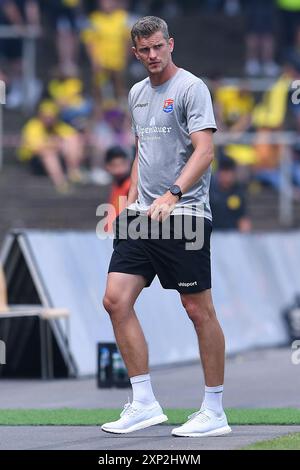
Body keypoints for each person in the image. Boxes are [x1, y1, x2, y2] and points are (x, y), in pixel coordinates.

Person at [101, 16, 232, 437]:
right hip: (144, 213)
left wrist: (173, 193)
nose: (153, 55)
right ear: (135, 52)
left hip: (186, 212)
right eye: (145, 50)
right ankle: (143, 402)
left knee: (197, 309)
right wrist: (129, 198)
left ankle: (214, 410)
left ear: (170, 44)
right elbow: (143, 146)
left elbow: (206, 151)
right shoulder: (137, 93)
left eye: (159, 46)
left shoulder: (192, 88)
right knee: (115, 300)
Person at [19, 100, 84, 193]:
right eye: (46, 117)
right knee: (48, 153)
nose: (49, 120)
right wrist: (55, 144)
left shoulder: (58, 126)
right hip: (33, 160)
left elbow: (73, 136)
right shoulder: (32, 126)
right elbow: (36, 149)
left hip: (56, 156)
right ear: (40, 116)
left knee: (72, 140)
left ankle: (73, 172)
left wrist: (60, 144)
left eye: (51, 117)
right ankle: (60, 183)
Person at [210, 157, 252, 232]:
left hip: (233, 237)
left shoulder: (238, 192)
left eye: (229, 172)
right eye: (224, 172)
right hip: (212, 235)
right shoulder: (210, 191)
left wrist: (245, 237)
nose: (226, 176)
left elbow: (243, 219)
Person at [104, 146, 132, 233]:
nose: (119, 169)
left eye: (122, 164)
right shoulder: (115, 185)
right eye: (115, 165)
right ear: (107, 166)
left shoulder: (131, 187)